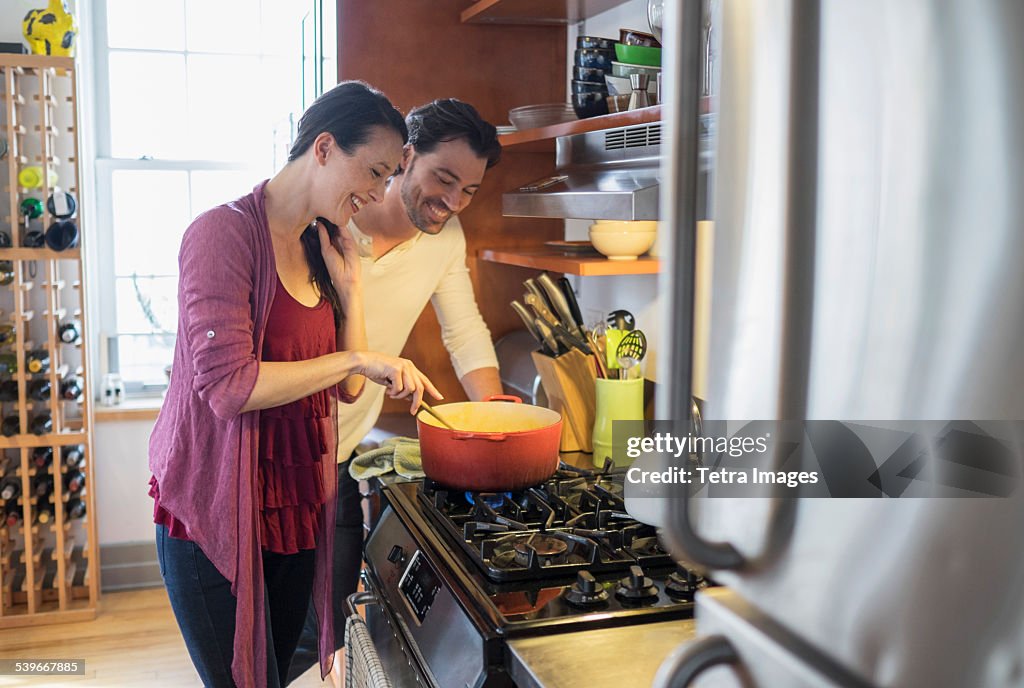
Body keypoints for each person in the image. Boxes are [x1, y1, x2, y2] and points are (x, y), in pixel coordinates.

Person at [148, 81, 442, 688]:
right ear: (326, 148)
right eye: (376, 171)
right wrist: (359, 358)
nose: (380, 192)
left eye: (390, 178)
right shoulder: (220, 235)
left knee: (274, 676)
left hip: (291, 506)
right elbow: (229, 386)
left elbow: (347, 392)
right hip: (214, 510)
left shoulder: (324, 243)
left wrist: (353, 288)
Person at [286, 99, 503, 683]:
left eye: (469, 190)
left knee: (329, 627)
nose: (453, 202)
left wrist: (497, 418)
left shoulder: (444, 237)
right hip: (279, 450)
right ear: (404, 158)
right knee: (276, 634)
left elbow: (465, 330)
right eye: (444, 179)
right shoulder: (334, 214)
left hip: (340, 452)